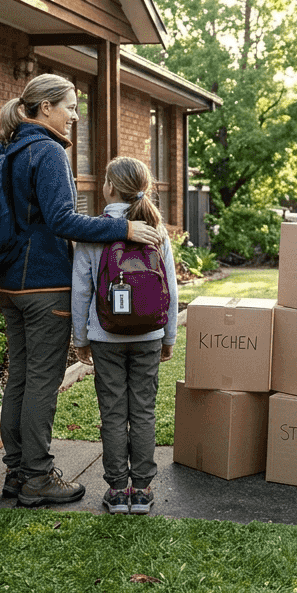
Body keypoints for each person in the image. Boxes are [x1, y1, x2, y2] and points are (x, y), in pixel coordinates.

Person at [0, 74, 161, 508]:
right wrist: (122, 227)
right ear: (45, 107)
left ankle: (16, 472)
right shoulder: (46, 151)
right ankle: (37, 477)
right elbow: (62, 221)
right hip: (44, 285)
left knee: (21, 378)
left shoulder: (10, 148)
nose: (74, 115)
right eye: (69, 106)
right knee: (42, 384)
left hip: (9, 282)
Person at [71, 156, 178, 516]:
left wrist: (81, 337)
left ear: (111, 187)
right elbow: (172, 291)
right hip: (149, 334)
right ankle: (143, 491)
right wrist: (169, 336)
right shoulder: (156, 229)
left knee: (113, 412)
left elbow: (81, 290)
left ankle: (118, 491)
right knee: (144, 411)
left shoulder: (94, 231)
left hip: (105, 335)